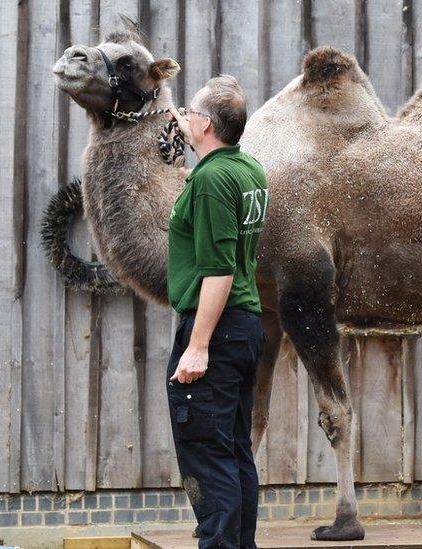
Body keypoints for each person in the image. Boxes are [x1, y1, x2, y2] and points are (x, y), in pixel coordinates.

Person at [166, 75, 268, 549]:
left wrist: (197, 346)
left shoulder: (209, 181)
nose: (183, 117)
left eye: (189, 112)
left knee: (207, 453)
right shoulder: (247, 170)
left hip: (217, 329)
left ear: (206, 123)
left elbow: (219, 270)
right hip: (245, 327)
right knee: (233, 451)